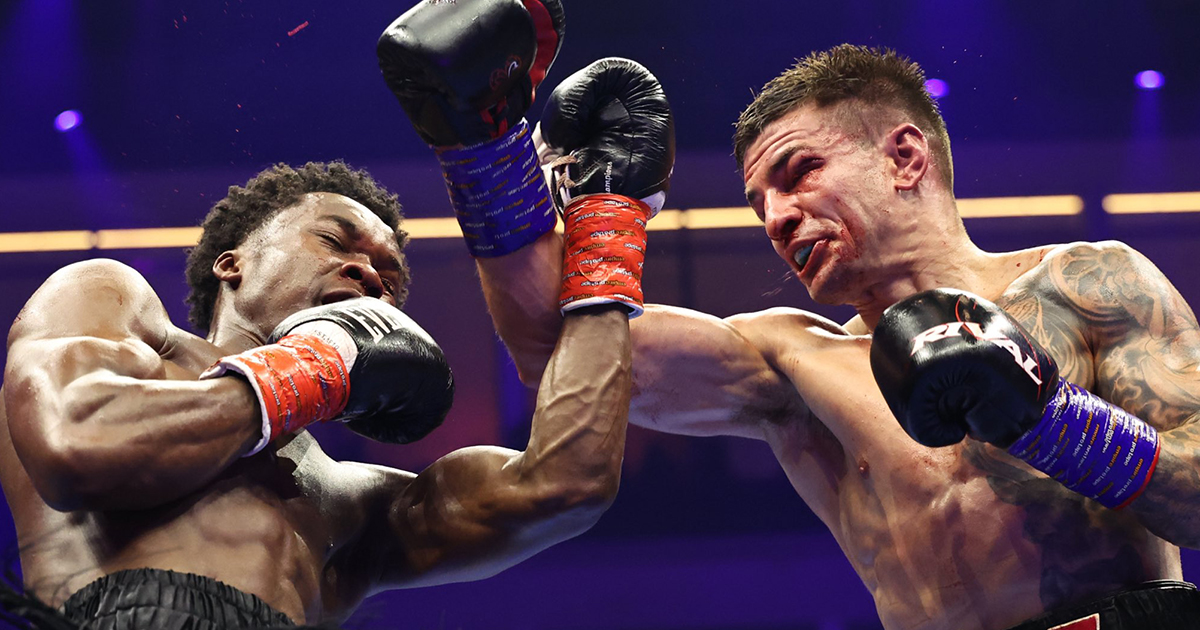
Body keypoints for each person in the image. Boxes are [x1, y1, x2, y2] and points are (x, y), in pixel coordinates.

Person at [467, 43, 1200, 629]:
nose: (778, 217)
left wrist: (1048, 420)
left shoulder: (1088, 284)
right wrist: (487, 152)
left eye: (800, 172)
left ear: (905, 158)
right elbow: (550, 349)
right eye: (761, 203)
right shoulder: (793, 362)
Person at [0, 1, 649, 627]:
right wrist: (317, 365)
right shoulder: (113, 303)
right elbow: (79, 445)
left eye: (389, 282)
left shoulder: (345, 499)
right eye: (336, 243)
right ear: (233, 263)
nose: (370, 275)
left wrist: (605, 235)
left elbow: (567, 485)